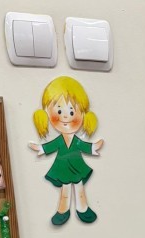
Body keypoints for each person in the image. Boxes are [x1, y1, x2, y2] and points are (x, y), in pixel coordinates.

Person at [29, 75, 104, 226]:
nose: (65, 116)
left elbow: (83, 145)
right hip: (63, 167)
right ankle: (63, 210)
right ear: (47, 113)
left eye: (71, 112)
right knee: (65, 189)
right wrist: (41, 148)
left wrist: (93, 147)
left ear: (83, 115)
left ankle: (83, 209)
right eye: (59, 111)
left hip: (76, 166)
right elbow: (51, 146)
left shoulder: (76, 140)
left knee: (80, 188)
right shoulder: (59, 140)